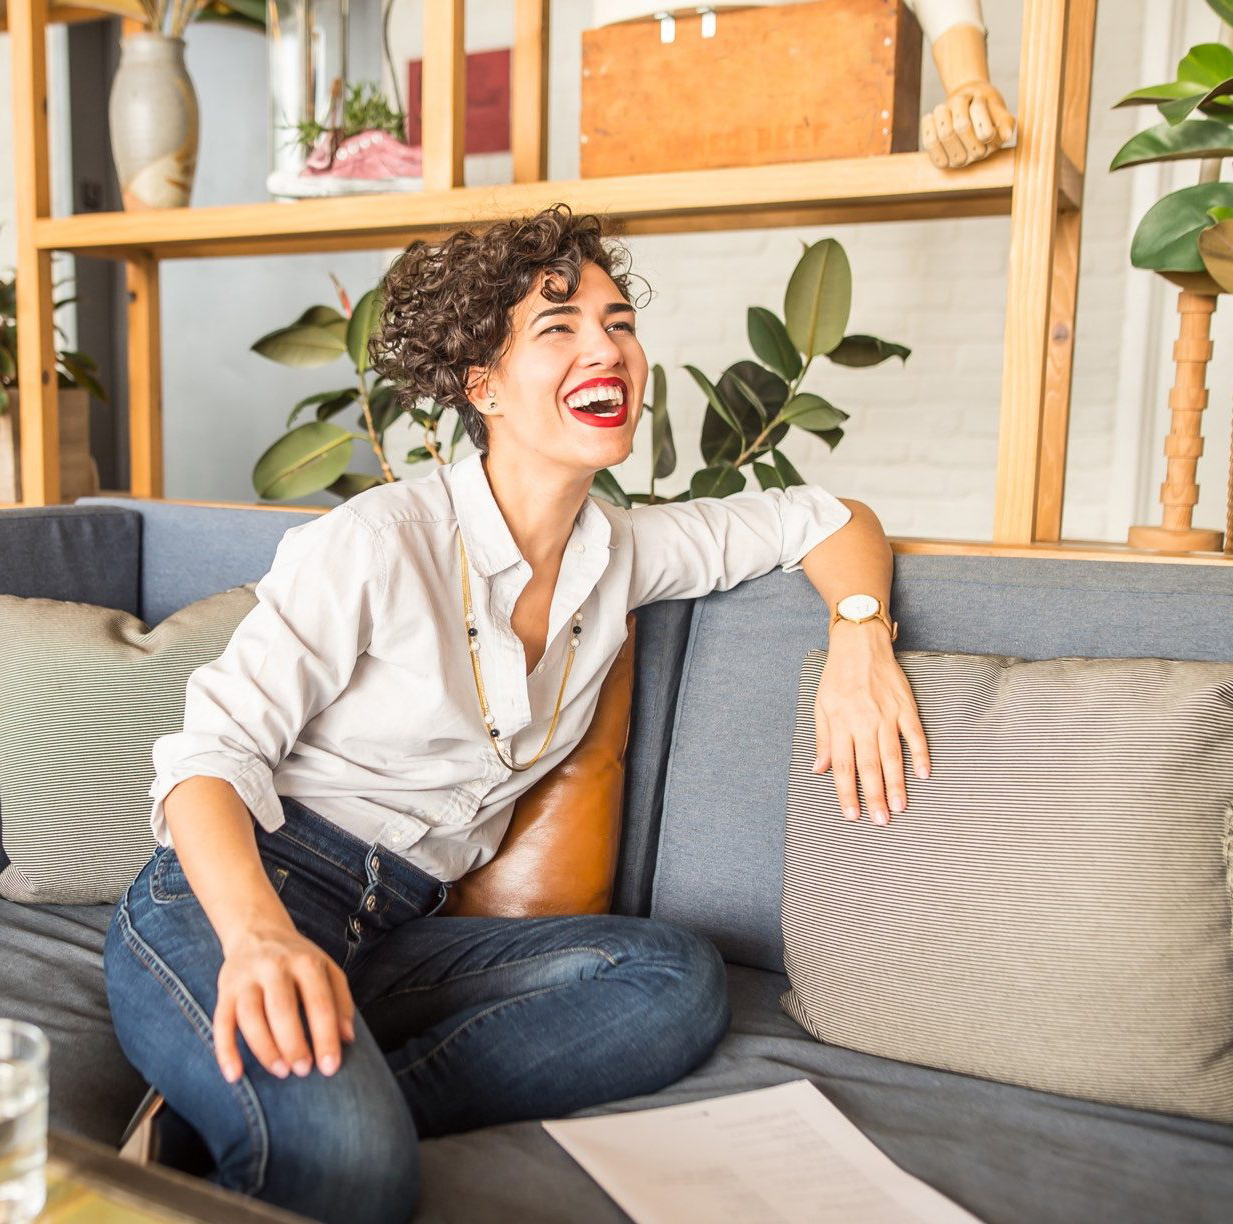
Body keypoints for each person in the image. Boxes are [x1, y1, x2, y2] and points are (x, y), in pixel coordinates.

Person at [102, 203, 930, 1223]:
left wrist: (859, 633)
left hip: (396, 923)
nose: (608, 347)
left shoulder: (624, 553)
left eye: (620, 321)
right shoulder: (380, 540)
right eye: (560, 326)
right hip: (231, 898)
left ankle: (255, 1121)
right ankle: (320, 1127)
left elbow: (828, 516)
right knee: (359, 1175)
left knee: (671, 977)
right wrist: (260, 941)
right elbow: (204, 759)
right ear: (482, 387)